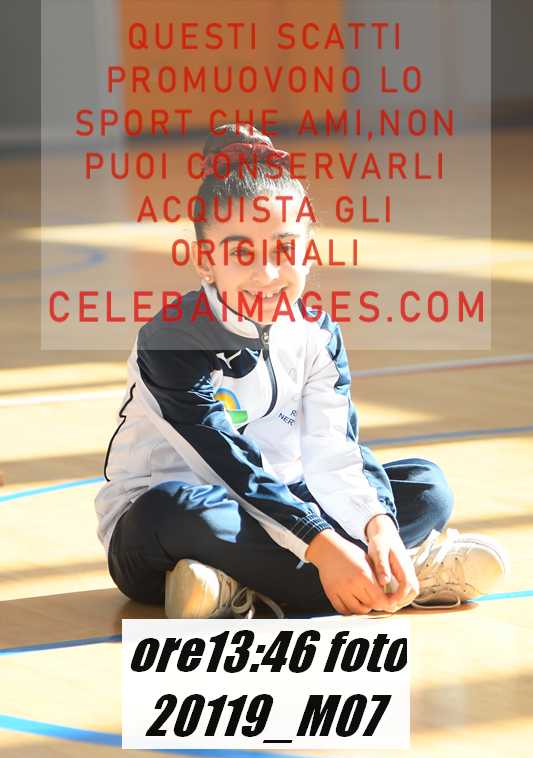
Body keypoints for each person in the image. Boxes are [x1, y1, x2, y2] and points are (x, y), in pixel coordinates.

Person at [95, 124, 508, 619]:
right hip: (167, 529)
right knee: (176, 508)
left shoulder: (319, 334)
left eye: (285, 249)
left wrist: (378, 527)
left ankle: (236, 586)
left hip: (287, 505)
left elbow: (335, 450)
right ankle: (398, 577)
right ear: (206, 262)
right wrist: (323, 545)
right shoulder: (172, 341)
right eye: (241, 252)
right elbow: (231, 467)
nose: (267, 274)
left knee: (426, 487)